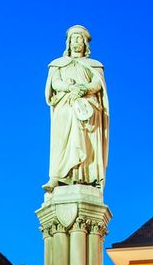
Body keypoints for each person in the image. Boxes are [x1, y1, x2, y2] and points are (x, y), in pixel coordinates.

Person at [46, 24, 108, 189]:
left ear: (85, 43)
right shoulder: (58, 64)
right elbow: (55, 82)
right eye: (73, 38)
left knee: (79, 118)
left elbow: (97, 84)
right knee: (66, 123)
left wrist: (83, 89)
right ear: (68, 42)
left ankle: (86, 176)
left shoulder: (94, 65)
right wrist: (69, 88)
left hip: (87, 105)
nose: (76, 41)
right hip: (65, 103)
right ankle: (59, 176)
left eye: (79, 38)